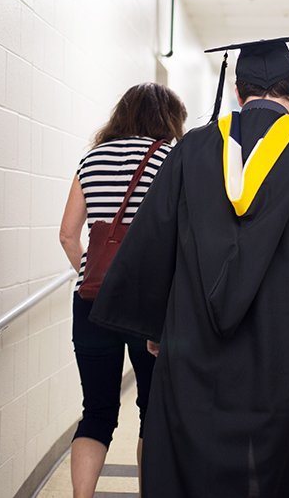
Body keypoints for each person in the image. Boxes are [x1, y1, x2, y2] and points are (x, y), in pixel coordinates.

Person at [89, 35, 289, 497]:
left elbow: (152, 242)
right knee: (285, 455)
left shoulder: (190, 152)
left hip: (196, 339)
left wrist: (154, 327)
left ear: (236, 94)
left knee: (194, 452)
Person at [58, 82, 187, 498]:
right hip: (149, 307)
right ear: (168, 119)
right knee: (153, 413)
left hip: (92, 303)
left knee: (95, 413)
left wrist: (95, 276)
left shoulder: (91, 159)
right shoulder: (170, 158)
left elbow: (67, 235)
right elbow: (182, 238)